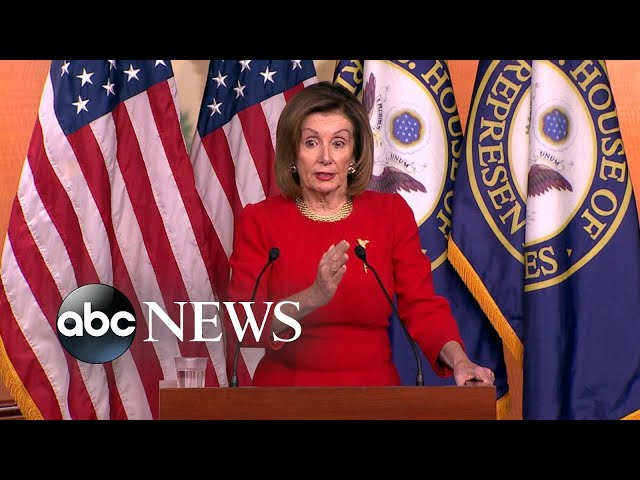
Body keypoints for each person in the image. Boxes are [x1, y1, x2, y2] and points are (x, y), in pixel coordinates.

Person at [225, 81, 495, 387]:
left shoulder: (390, 214)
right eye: (311, 143)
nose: (325, 157)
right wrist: (313, 297)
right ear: (293, 153)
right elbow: (242, 323)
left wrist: (460, 361)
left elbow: (422, 306)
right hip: (285, 393)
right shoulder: (260, 220)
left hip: (375, 394)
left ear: (354, 156)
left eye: (338, 143)